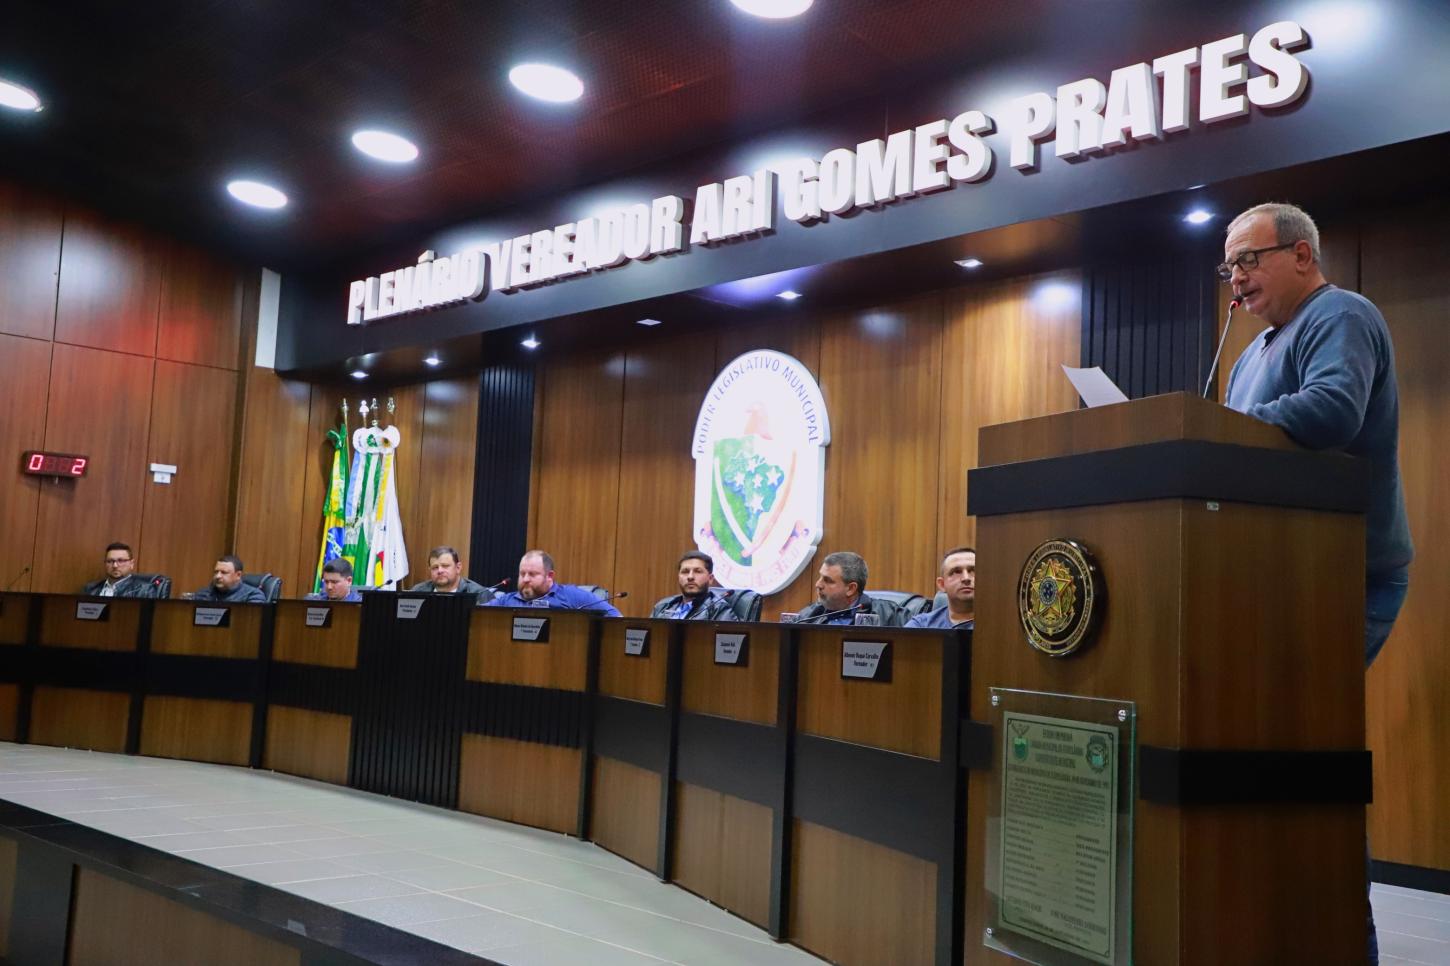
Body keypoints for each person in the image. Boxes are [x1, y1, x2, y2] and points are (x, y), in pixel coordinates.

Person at [1221, 202, 1413, 966]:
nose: (1237, 279)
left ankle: (1341, 944)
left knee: (1308, 754)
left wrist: (1221, 432)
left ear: (1301, 254)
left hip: (1341, 576)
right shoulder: (1251, 353)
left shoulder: (1341, 314)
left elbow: (1333, 411)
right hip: (1276, 578)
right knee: (1277, 751)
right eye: (1230, 267)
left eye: (1248, 260)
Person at [487, 550, 621, 615]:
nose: (526, 579)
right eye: (522, 574)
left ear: (549, 576)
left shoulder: (572, 596)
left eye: (532, 574)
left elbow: (615, 617)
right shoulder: (505, 601)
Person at [795, 551, 903, 625]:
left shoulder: (888, 614)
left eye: (827, 580)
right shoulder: (810, 615)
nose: (818, 584)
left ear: (851, 589)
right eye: (820, 577)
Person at [650, 551, 738, 621]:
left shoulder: (719, 609)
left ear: (710, 578)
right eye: (685, 572)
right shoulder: (663, 606)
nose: (690, 577)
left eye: (698, 571)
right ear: (678, 577)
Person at [906, 547, 975, 630]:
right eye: (956, 572)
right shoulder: (921, 625)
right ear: (942, 585)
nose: (966, 578)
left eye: (973, 571)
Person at [407, 546, 493, 599]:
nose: (440, 571)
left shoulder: (479, 594)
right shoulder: (417, 591)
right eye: (435, 567)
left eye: (445, 566)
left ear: (458, 568)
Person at [82, 542, 156, 598]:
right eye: (110, 561)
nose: (115, 565)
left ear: (131, 564)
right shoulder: (90, 589)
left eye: (121, 561)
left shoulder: (144, 590)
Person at [190, 555, 267, 603]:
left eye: (224, 572)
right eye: (216, 572)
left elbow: (252, 621)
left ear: (238, 575)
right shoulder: (203, 594)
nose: (218, 576)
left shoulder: (253, 595)